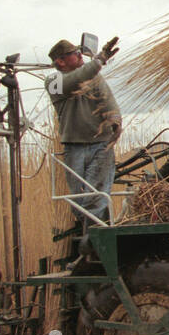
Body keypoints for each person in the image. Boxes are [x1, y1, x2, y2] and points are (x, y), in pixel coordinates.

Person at [45, 37, 121, 229]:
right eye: (74, 54)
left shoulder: (93, 77)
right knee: (80, 199)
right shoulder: (54, 81)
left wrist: (115, 120)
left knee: (96, 196)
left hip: (101, 144)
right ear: (60, 62)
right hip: (74, 146)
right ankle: (90, 234)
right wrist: (99, 61)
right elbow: (75, 80)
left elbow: (108, 100)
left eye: (79, 52)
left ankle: (92, 236)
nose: (80, 56)